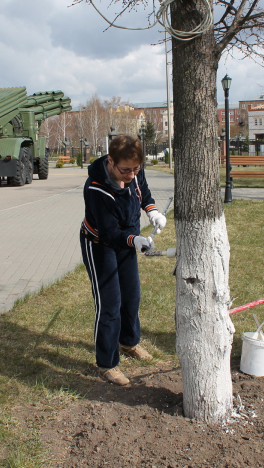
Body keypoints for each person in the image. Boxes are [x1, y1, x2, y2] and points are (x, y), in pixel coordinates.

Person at [80, 135, 167, 386]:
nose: (131, 175)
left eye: (136, 169)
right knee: (110, 304)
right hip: (99, 244)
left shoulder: (134, 170)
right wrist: (134, 240)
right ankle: (107, 364)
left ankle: (128, 342)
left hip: (127, 240)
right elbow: (108, 234)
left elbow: (143, 192)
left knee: (131, 295)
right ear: (111, 161)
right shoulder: (96, 188)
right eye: (125, 170)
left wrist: (152, 211)